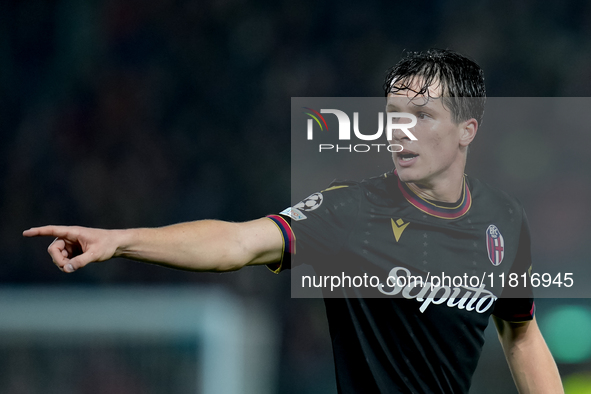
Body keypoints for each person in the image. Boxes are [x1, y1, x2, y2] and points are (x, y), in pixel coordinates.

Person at [23, 49, 563, 393]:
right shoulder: (351, 210)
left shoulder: (503, 222)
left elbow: (520, 333)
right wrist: (121, 240)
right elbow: (236, 242)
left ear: (467, 130)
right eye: (394, 116)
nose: (402, 130)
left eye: (422, 117)